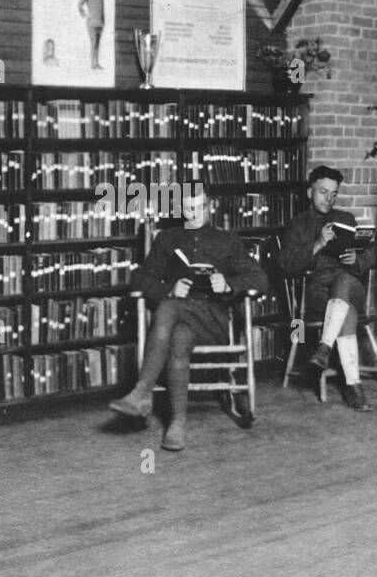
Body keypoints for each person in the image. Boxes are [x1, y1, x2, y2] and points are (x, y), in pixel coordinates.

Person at [109, 184, 268, 451]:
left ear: (211, 207)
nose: (195, 213)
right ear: (180, 209)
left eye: (201, 207)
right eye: (189, 208)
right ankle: (177, 423)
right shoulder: (167, 239)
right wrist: (168, 289)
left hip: (212, 321)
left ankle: (143, 392)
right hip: (179, 322)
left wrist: (228, 284)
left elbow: (260, 279)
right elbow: (141, 281)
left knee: (168, 308)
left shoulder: (227, 240)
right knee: (178, 336)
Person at [277, 166, 375, 411]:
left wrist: (358, 259)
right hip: (317, 294)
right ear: (310, 192)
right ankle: (354, 387)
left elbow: (374, 252)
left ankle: (324, 348)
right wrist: (319, 243)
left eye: (334, 193)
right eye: (323, 192)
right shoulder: (297, 224)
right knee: (346, 311)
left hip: (352, 285)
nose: (328, 198)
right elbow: (287, 266)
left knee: (343, 280)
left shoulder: (346, 219)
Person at [77, 0, 105, 69]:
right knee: (93, 43)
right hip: (91, 23)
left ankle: (97, 63)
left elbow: (102, 11)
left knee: (98, 44)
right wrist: (85, 15)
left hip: (99, 24)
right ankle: (92, 64)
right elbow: (80, 3)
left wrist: (103, 23)